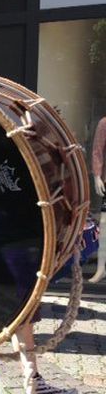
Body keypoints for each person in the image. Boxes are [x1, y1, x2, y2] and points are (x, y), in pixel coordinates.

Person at [90, 116, 106, 283]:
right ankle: (101, 268)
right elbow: (97, 151)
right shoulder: (104, 123)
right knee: (105, 225)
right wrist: (97, 176)